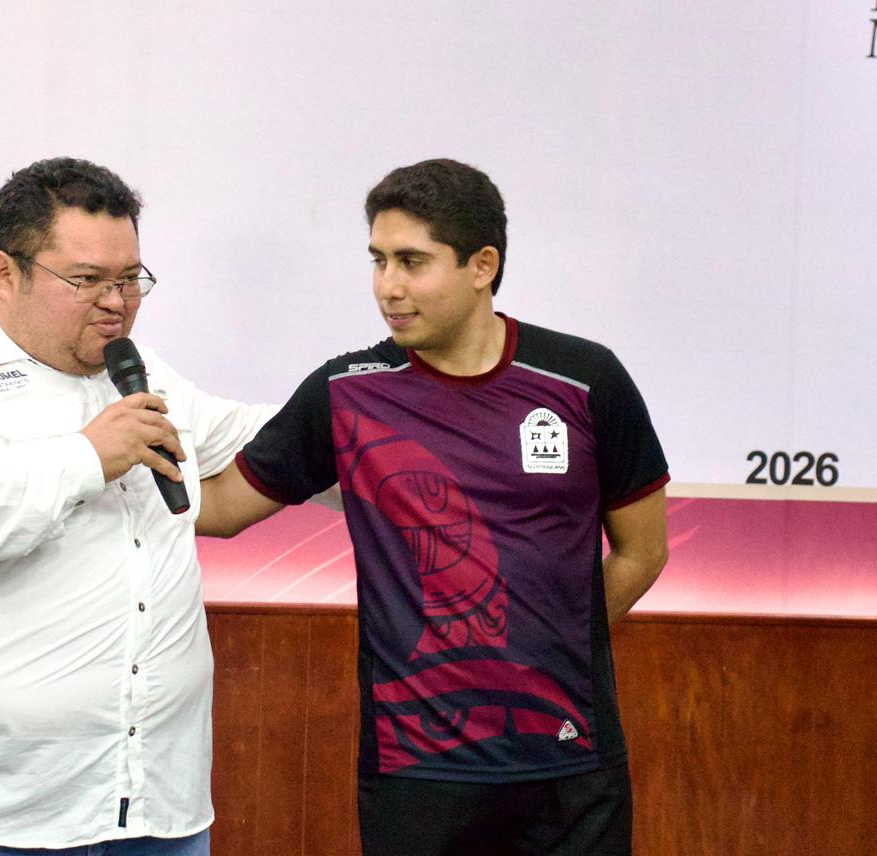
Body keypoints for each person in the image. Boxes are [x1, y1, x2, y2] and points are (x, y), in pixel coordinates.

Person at [197, 159, 670, 856]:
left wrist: (554, 644)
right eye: (379, 260)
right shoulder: (346, 392)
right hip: (416, 773)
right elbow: (218, 510)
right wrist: (104, 454)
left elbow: (643, 550)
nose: (388, 286)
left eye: (412, 262)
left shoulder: (585, 379)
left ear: (482, 265)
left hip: (571, 769)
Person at [0, 158, 271, 855]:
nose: (117, 302)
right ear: (5, 273)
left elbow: (261, 443)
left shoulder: (140, 374)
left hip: (153, 811)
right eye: (86, 280)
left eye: (130, 279)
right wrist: (87, 458)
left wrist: (380, 418)